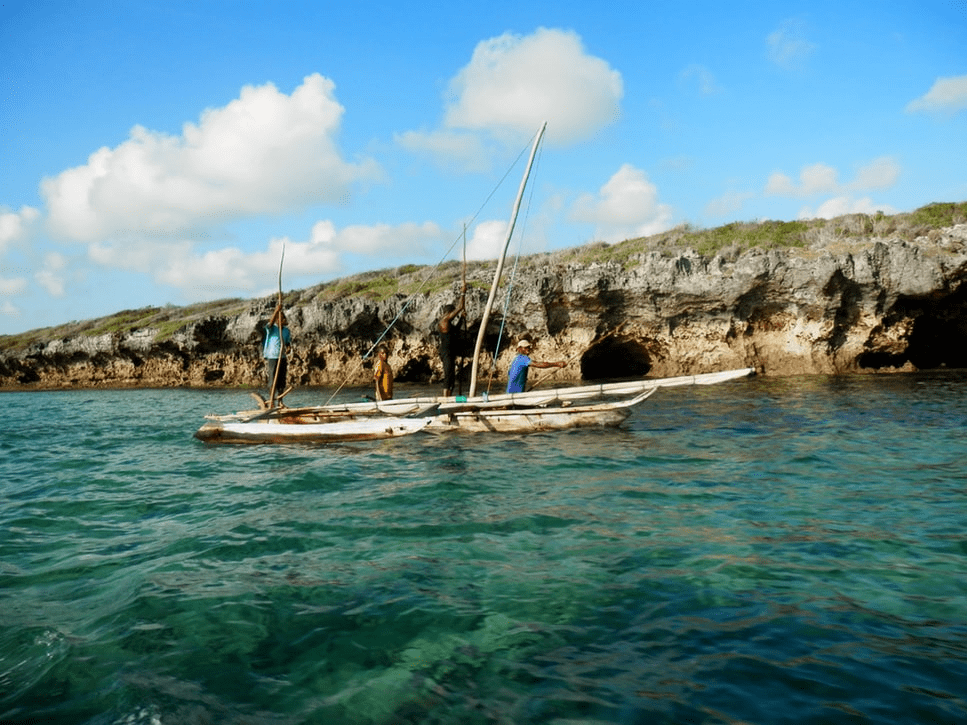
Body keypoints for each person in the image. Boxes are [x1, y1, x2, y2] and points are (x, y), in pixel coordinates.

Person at [438, 282, 466, 396]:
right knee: (448, 375)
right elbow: (460, 307)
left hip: (451, 352)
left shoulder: (449, 325)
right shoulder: (444, 321)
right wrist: (463, 293)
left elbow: (456, 330)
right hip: (446, 352)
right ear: (449, 313)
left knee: (452, 376)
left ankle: (450, 397)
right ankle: (445, 399)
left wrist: (461, 319)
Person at [263, 304, 291, 400]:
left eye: (282, 318)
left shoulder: (286, 331)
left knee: (281, 381)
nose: (281, 320)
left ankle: (280, 401)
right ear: (277, 320)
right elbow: (270, 323)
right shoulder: (271, 329)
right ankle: (271, 401)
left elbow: (287, 342)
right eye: (279, 318)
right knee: (272, 380)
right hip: (273, 356)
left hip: (282, 357)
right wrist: (276, 310)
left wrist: (288, 348)